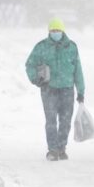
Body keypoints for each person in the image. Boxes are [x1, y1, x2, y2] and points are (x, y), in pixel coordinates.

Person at [25, 17, 85, 161]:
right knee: (51, 121)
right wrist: (35, 78)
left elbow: (78, 71)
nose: (55, 32)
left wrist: (81, 91)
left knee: (65, 121)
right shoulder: (41, 47)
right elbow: (30, 64)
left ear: (62, 31)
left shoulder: (71, 47)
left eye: (57, 30)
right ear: (49, 32)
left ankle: (61, 148)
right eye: (53, 30)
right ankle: (52, 150)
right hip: (49, 90)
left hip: (67, 90)